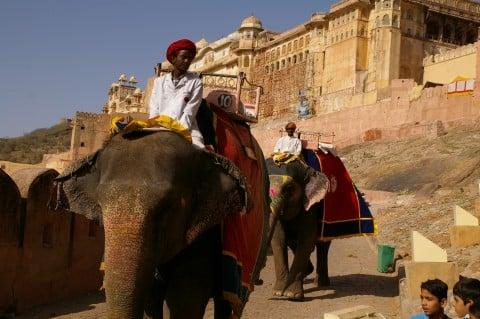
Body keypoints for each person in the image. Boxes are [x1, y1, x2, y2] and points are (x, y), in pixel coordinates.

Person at [149, 38, 205, 148]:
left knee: (199, 150)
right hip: (159, 127)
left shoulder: (196, 82)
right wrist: (155, 127)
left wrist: (178, 131)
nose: (187, 61)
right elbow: (154, 109)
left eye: (189, 58)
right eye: (183, 57)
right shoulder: (159, 82)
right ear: (173, 58)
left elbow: (190, 113)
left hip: (185, 129)